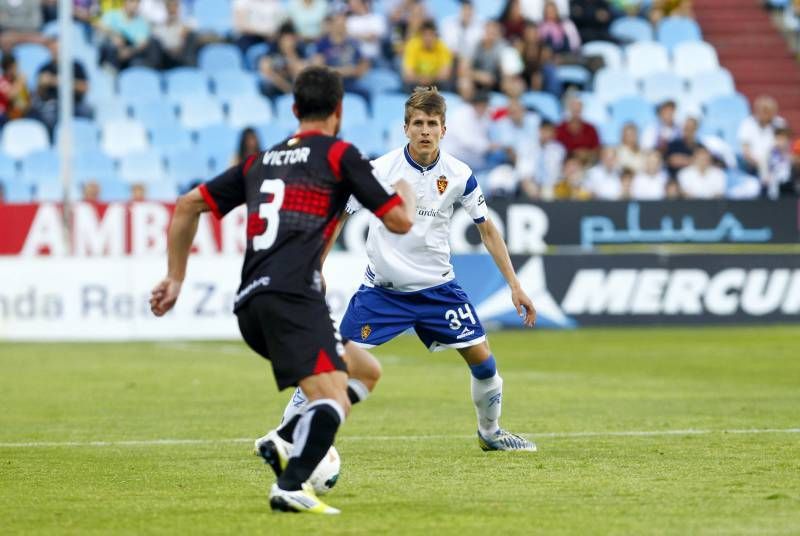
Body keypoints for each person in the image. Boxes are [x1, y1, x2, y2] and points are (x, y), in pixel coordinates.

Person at [149, 66, 415, 514]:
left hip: (251, 303)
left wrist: (175, 278)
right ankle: (291, 485)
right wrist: (404, 189)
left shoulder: (261, 160)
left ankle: (285, 439)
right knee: (332, 397)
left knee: (365, 371)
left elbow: (188, 204)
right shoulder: (338, 155)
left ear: (294, 110)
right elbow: (400, 221)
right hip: (293, 296)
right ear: (339, 110)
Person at [266, 86, 538, 455]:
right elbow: (337, 217)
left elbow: (487, 230)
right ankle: (283, 434)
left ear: (444, 129)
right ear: (405, 128)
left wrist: (515, 285)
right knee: (334, 362)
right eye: (418, 123)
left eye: (432, 124)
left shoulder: (459, 174)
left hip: (438, 290)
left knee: (485, 364)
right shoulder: (378, 170)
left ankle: (490, 433)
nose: (425, 130)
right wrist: (315, 266)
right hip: (382, 293)